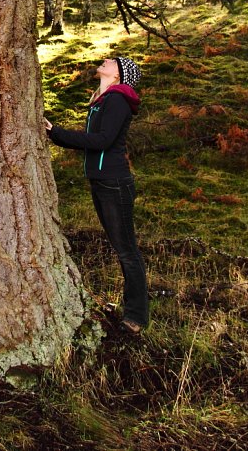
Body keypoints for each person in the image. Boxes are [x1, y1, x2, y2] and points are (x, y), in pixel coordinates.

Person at [44, 56, 149, 334]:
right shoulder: (102, 99)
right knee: (121, 247)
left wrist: (56, 133)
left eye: (112, 61)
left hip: (114, 183)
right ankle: (132, 310)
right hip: (102, 182)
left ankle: (136, 317)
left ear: (119, 75)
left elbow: (102, 141)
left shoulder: (116, 100)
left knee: (126, 250)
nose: (105, 60)